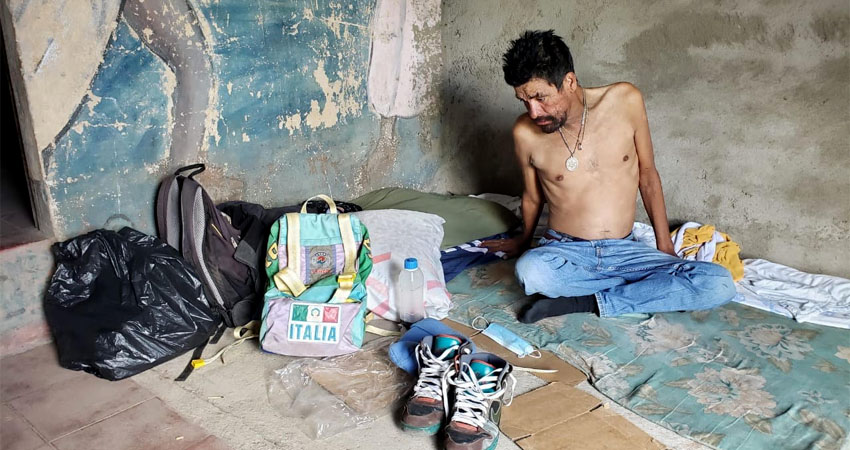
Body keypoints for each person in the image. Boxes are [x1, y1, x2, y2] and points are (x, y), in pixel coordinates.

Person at [481, 30, 735, 322]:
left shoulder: (626, 100)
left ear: (570, 81)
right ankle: (642, 292)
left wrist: (664, 247)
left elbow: (648, 174)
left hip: (625, 250)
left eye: (540, 98)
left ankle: (587, 301)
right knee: (530, 271)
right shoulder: (524, 132)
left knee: (719, 283)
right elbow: (532, 196)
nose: (534, 111)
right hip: (566, 250)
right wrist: (523, 241)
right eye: (524, 100)